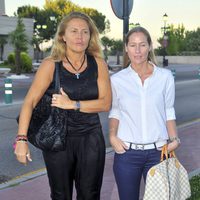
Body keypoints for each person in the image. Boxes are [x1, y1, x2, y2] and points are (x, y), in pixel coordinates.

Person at [14, 11, 111, 200]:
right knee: (60, 195)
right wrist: (21, 139)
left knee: (90, 195)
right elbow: (29, 102)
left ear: (90, 36)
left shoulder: (99, 64)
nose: (80, 37)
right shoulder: (51, 64)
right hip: (58, 139)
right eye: (74, 31)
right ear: (62, 36)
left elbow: (106, 103)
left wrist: (72, 104)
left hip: (91, 138)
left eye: (85, 32)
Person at [109, 26, 180, 200]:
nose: (138, 50)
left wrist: (174, 139)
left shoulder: (165, 77)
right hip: (127, 154)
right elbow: (115, 111)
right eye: (132, 45)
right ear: (126, 48)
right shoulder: (117, 80)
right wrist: (112, 137)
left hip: (159, 152)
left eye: (142, 44)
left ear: (149, 46)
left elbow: (168, 110)